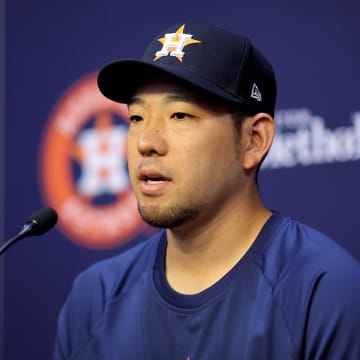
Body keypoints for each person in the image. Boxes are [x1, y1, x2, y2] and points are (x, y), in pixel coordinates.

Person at [53, 21, 360, 359]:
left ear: (253, 141)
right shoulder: (94, 297)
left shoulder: (325, 290)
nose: (146, 142)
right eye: (137, 118)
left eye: (180, 115)